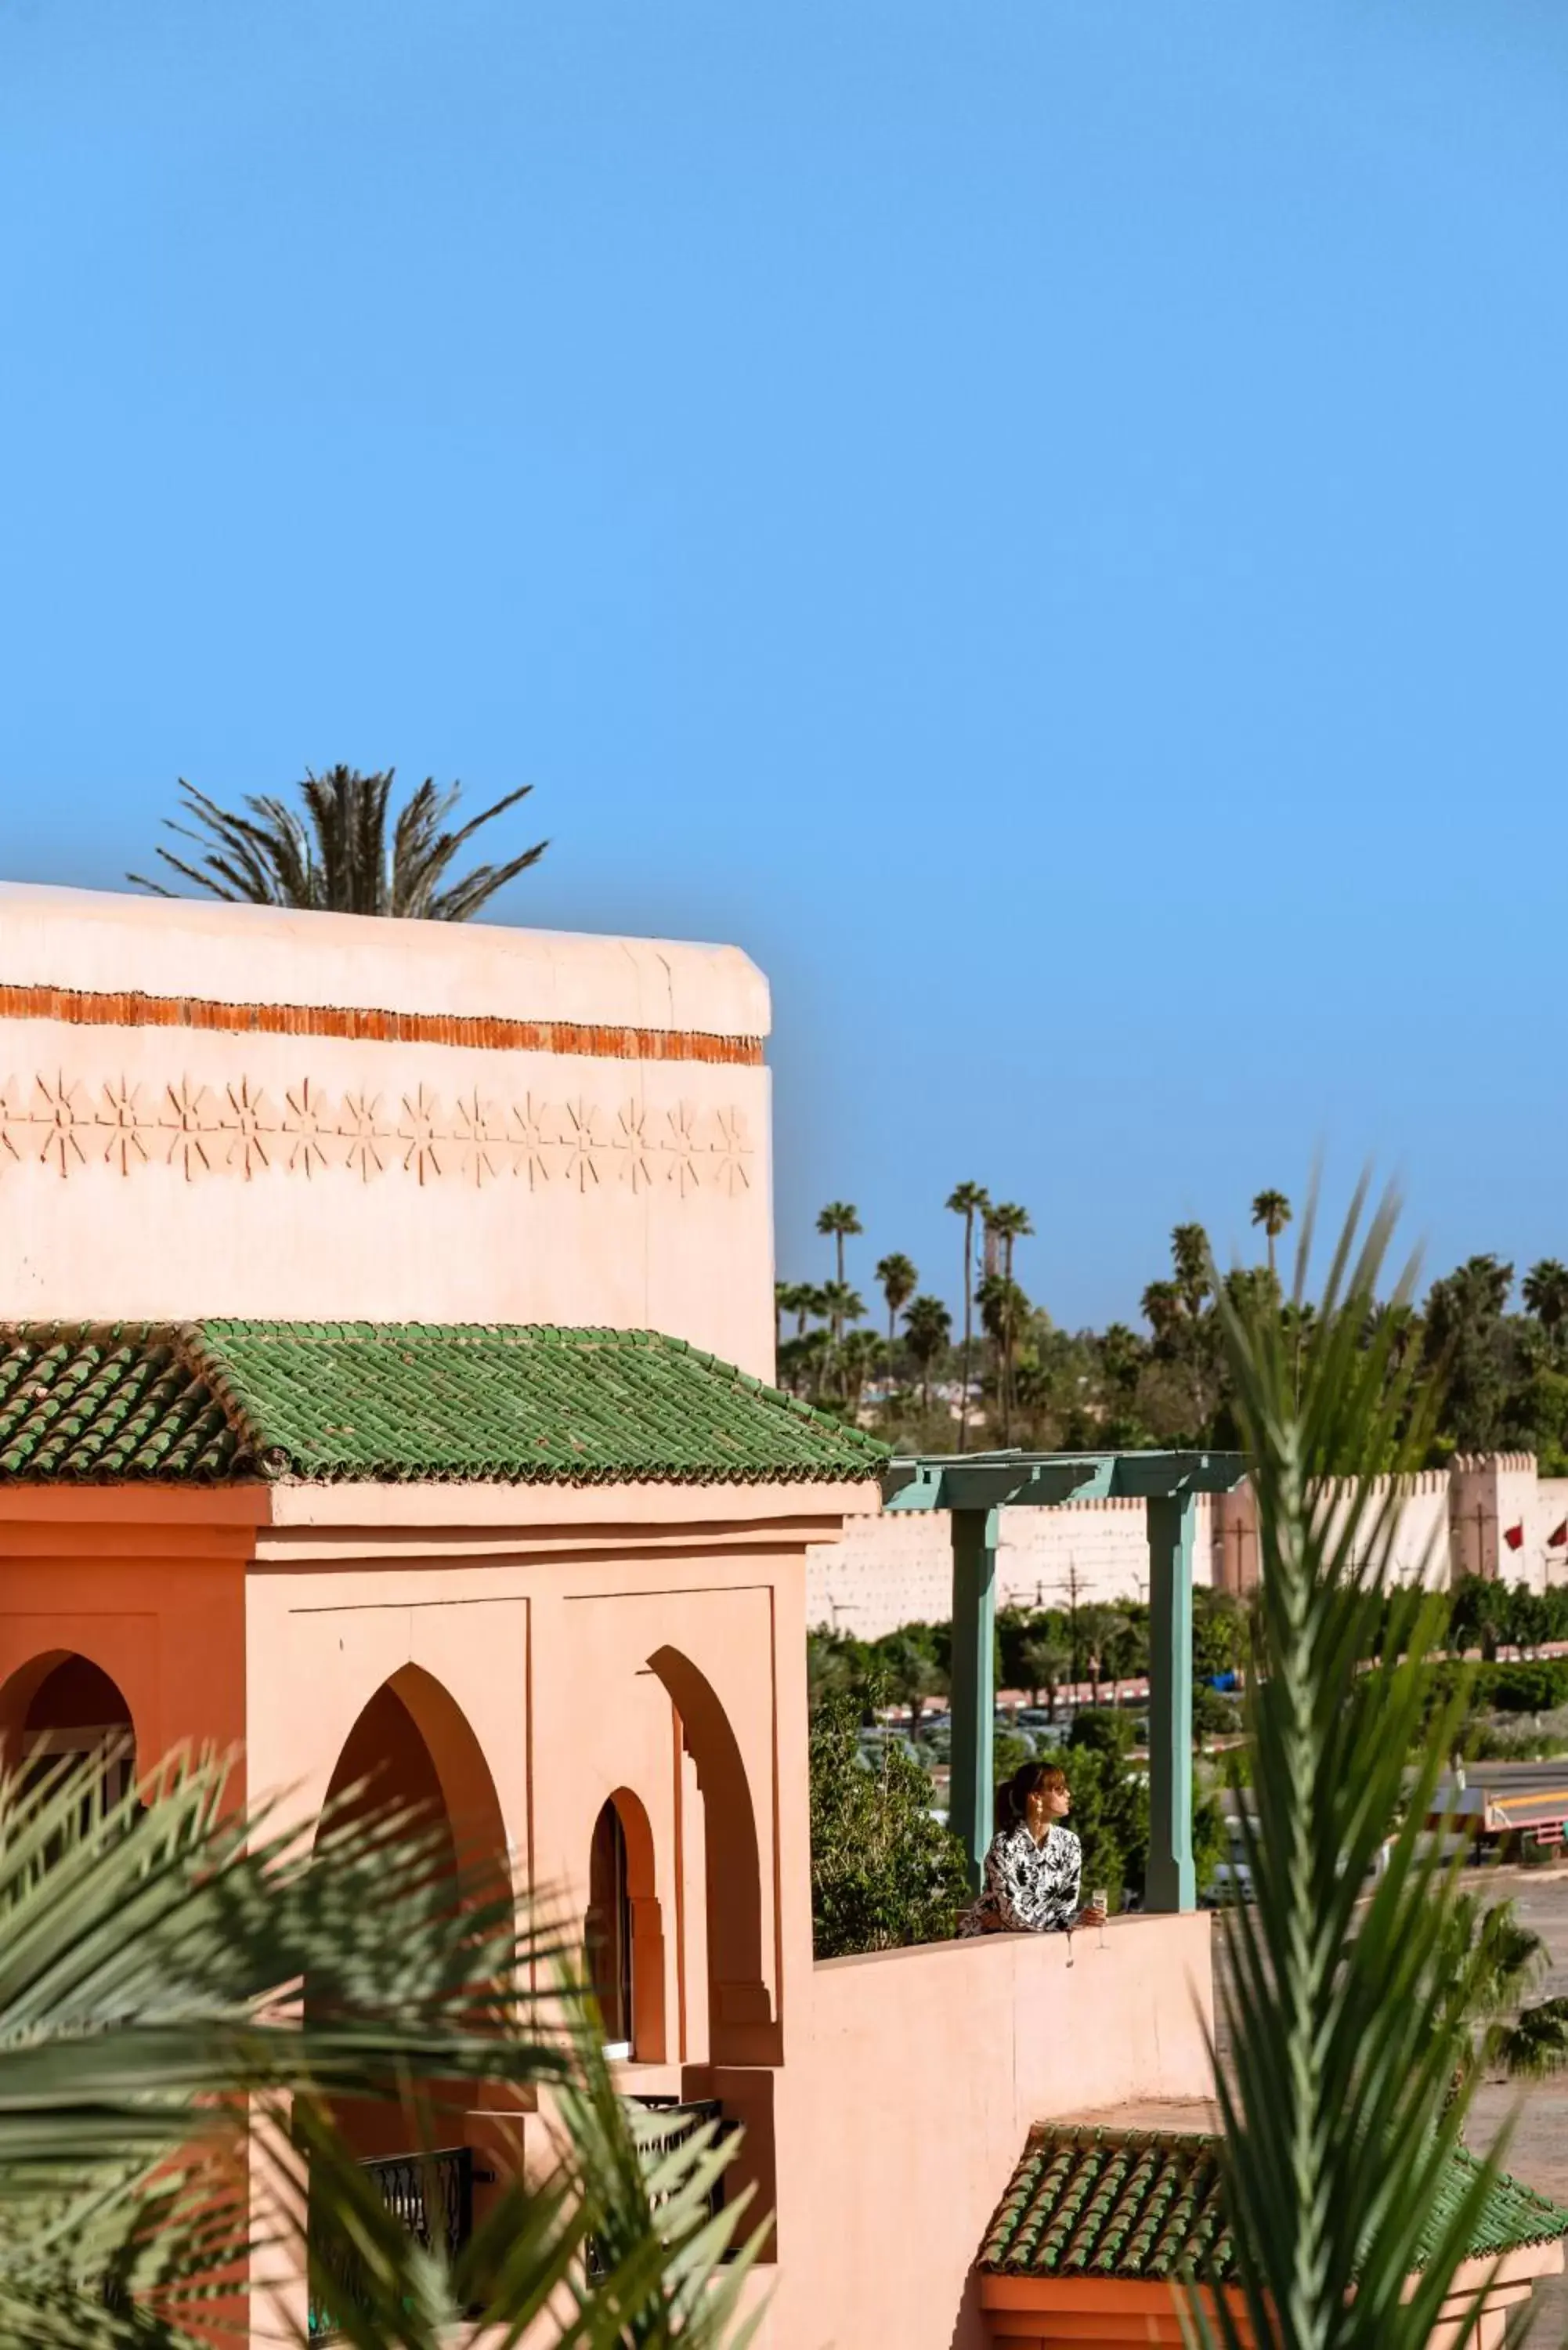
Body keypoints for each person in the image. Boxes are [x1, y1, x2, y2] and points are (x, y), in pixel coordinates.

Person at [957, 1761, 1108, 1938]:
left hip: (1028, 1939)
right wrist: (1070, 1920)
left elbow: (1064, 1908)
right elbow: (1013, 1914)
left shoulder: (1069, 1843)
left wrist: (1007, 1923)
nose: (1068, 1794)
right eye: (1059, 1789)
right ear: (1036, 1797)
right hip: (981, 1939)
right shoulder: (1005, 1845)